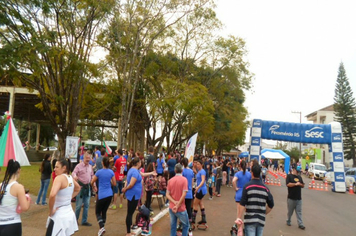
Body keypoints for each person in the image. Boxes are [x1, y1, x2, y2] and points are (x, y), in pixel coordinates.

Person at [236, 163, 274, 236]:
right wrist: (264, 212)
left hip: (250, 219)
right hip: (261, 220)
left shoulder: (247, 187)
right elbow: (271, 204)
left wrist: (239, 218)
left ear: (252, 173)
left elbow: (242, 203)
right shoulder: (265, 189)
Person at [46, 158, 80, 236]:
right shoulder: (70, 178)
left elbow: (52, 195)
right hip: (69, 214)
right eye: (54, 167)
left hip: (59, 217)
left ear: (64, 168)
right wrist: (68, 198)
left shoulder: (59, 178)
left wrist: (51, 211)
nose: (54, 169)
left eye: (57, 167)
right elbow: (78, 188)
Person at [122, 157, 156, 236]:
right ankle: (128, 232)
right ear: (137, 163)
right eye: (140, 162)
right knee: (130, 213)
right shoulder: (134, 171)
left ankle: (129, 230)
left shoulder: (135, 170)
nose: (141, 163)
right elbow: (131, 184)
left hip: (134, 195)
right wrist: (125, 189)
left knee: (130, 212)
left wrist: (151, 173)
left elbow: (143, 174)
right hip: (133, 195)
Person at [0, 159, 31, 236]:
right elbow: (25, 207)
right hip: (13, 223)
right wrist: (28, 199)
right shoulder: (18, 187)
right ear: (19, 170)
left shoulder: (1, 185)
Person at [91, 157, 116, 236]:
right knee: (104, 211)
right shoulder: (111, 172)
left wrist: (94, 187)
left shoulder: (99, 172)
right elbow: (114, 183)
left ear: (102, 163)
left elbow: (92, 181)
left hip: (102, 194)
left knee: (97, 212)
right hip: (109, 194)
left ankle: (102, 227)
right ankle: (102, 227)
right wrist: (109, 183)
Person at [72, 150, 95, 226]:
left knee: (87, 205)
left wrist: (94, 185)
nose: (88, 160)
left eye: (89, 158)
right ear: (84, 158)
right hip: (81, 188)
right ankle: (75, 221)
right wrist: (75, 177)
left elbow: (92, 176)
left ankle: (84, 221)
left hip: (87, 188)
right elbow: (73, 172)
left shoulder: (90, 167)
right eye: (86, 158)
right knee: (78, 205)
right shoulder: (79, 166)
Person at [166, 163, 189, 236]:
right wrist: (178, 204)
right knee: (186, 225)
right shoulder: (184, 180)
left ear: (175, 170)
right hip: (181, 208)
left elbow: (167, 194)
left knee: (173, 226)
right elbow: (184, 194)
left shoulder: (170, 180)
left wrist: (174, 202)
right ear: (182, 170)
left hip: (172, 207)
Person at [232, 160, 251, 228]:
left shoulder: (238, 174)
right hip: (247, 193)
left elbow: (233, 181)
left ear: (240, 166)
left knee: (239, 211)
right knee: (247, 211)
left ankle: (238, 226)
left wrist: (235, 188)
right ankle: (247, 225)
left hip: (239, 192)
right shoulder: (249, 174)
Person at [286, 163, 305, 230]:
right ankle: (288, 220)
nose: (297, 171)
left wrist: (300, 184)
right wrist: (295, 184)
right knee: (290, 211)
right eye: (296, 170)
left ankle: (300, 224)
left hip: (299, 198)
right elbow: (288, 184)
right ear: (293, 169)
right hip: (291, 198)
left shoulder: (299, 177)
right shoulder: (289, 176)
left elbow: (303, 185)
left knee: (299, 211)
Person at [192, 159, 207, 227]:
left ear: (201, 165)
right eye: (197, 164)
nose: (197, 165)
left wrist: (198, 187)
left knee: (195, 203)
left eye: (198, 164)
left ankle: (193, 219)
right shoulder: (199, 171)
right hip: (200, 189)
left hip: (201, 190)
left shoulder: (202, 171)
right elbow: (197, 175)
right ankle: (203, 219)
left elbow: (203, 180)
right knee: (200, 203)